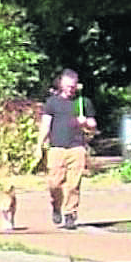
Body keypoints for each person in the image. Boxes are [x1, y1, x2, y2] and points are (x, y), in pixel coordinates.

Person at [34, 68, 96, 230]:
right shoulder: (52, 103)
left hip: (77, 147)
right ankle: (56, 205)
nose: (71, 89)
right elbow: (46, 125)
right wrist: (39, 145)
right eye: (68, 86)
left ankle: (70, 214)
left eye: (73, 86)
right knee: (54, 183)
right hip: (57, 148)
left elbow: (93, 125)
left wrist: (86, 123)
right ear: (61, 84)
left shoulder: (82, 103)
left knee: (73, 184)